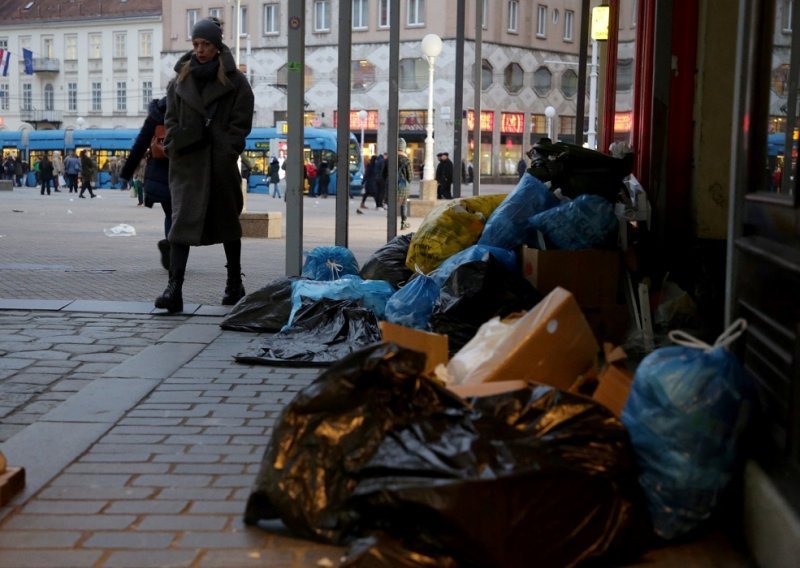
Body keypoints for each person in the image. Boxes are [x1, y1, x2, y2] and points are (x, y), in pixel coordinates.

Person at [154, 17, 254, 314]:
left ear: (216, 45)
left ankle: (234, 283)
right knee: (180, 225)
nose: (200, 49)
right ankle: (174, 289)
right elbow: (170, 118)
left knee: (227, 225)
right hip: (187, 164)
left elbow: (242, 121)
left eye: (206, 44)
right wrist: (173, 143)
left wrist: (227, 148)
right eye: (196, 44)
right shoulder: (180, 80)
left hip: (219, 165)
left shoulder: (235, 81)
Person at [120, 97, 173, 270]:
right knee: (180, 215)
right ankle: (174, 252)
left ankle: (171, 247)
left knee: (169, 213)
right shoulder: (188, 109)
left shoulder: (157, 113)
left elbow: (141, 144)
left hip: (160, 174)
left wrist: (126, 173)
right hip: (183, 172)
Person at [383, 138, 412, 229]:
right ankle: (403, 222)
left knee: (391, 203)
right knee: (403, 203)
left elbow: (383, 173)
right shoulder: (406, 160)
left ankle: (390, 221)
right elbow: (410, 176)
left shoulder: (389, 159)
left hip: (391, 184)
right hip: (403, 185)